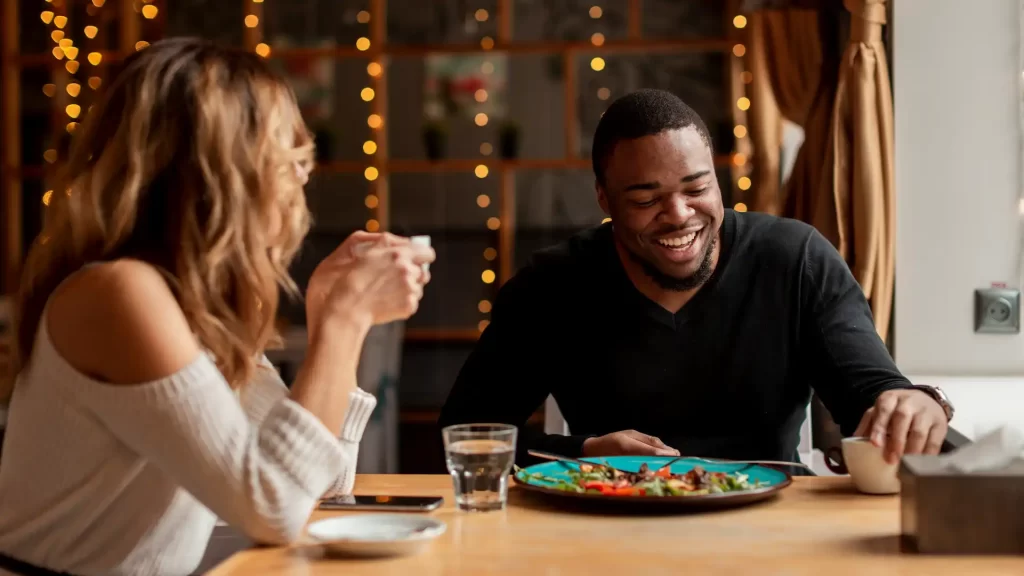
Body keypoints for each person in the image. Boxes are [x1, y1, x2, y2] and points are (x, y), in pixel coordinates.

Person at [0, 38, 434, 576]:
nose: (302, 178)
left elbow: (322, 482)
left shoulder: (186, 302)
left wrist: (327, 312)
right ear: (217, 170)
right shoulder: (119, 294)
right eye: (288, 155)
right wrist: (345, 322)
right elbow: (273, 507)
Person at [439, 89, 952, 469]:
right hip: (606, 528)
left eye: (697, 188)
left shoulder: (795, 259)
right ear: (605, 200)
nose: (679, 214)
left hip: (770, 531)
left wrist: (918, 402)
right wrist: (583, 454)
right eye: (645, 200)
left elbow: (872, 395)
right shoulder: (552, 284)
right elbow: (463, 436)